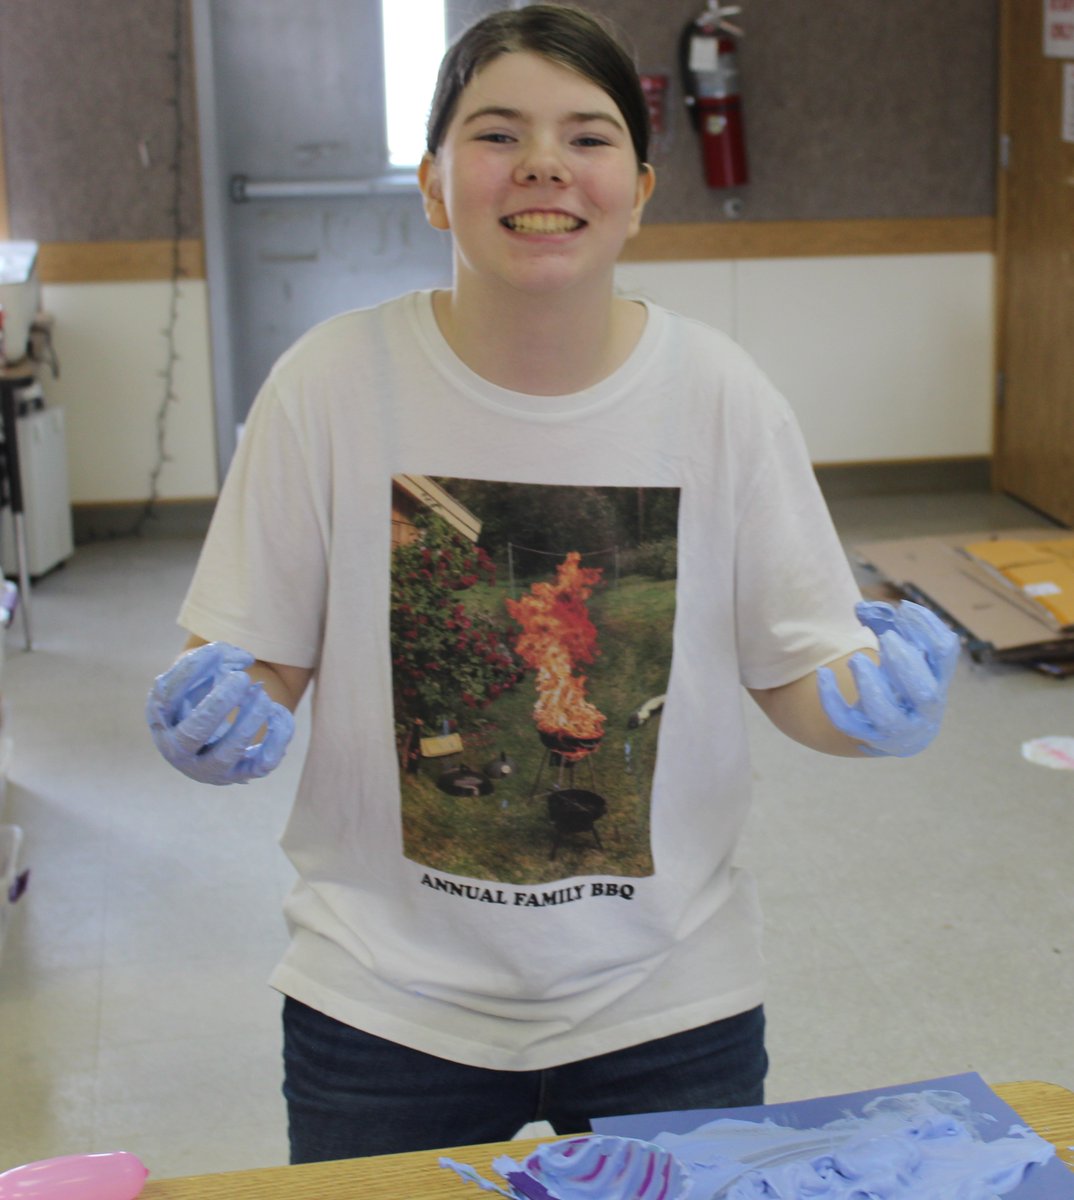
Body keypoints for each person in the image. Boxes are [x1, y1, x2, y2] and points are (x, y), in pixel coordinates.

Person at [146, 3, 959, 1164]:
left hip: (671, 996)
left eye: (586, 135)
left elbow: (796, 661)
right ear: (432, 184)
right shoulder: (328, 384)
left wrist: (864, 706)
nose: (543, 164)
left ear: (639, 186)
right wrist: (226, 709)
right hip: (382, 1001)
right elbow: (262, 653)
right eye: (496, 134)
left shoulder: (722, 397)